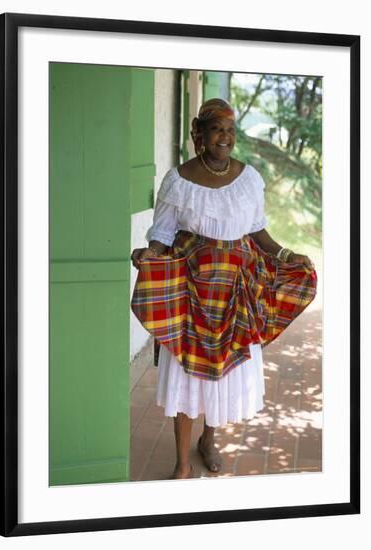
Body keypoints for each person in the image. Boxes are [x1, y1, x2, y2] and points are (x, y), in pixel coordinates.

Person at [130, 98, 317, 480]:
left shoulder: (248, 178)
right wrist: (149, 253)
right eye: (217, 129)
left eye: (231, 131)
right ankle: (182, 462)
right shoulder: (178, 180)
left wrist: (286, 253)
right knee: (188, 371)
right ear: (199, 133)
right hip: (191, 291)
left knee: (225, 369)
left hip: (237, 289)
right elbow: (164, 233)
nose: (225, 138)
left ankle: (208, 441)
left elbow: (257, 230)